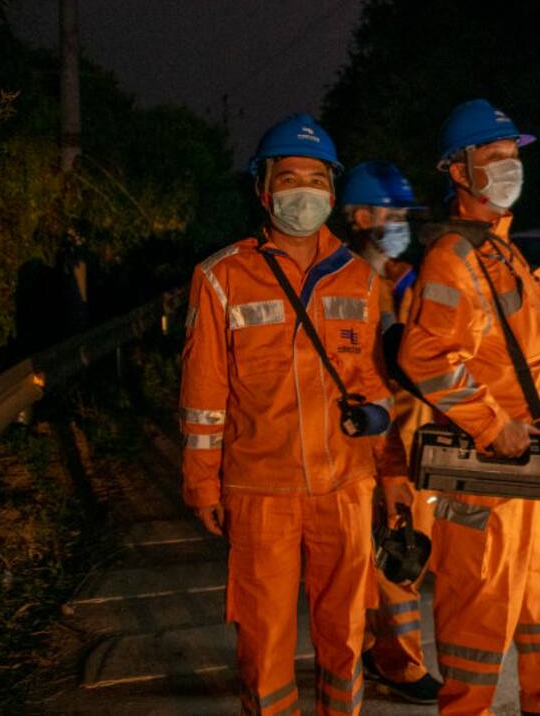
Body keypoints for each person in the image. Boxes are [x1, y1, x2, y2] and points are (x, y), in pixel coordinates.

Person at [398, 99, 540, 716]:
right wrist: (494, 425)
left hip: (532, 453)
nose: (508, 167)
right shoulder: (454, 260)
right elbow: (426, 357)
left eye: (512, 156)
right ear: (458, 172)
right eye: (493, 158)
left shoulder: (503, 251)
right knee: (480, 602)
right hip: (489, 469)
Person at [180, 113, 395, 716]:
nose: (305, 191)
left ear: (332, 189)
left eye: (316, 179)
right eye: (290, 177)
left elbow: (375, 379)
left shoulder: (358, 275)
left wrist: (384, 442)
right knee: (264, 640)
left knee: (345, 634)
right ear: (263, 188)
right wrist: (203, 485)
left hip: (346, 485)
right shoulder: (221, 277)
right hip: (260, 489)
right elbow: (203, 395)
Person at [338, 160, 444, 705]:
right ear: (360, 217)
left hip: (401, 438)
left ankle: (373, 652)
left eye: (405, 214)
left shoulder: (391, 279)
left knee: (390, 554)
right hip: (376, 446)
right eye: (392, 213)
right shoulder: (350, 284)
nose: (401, 222)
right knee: (397, 556)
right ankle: (397, 663)